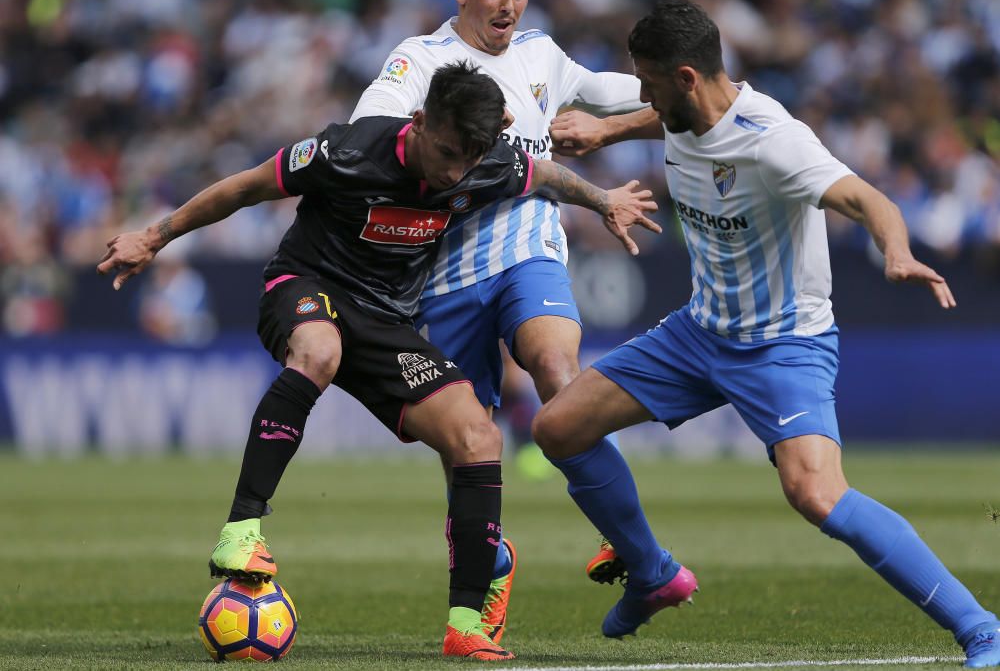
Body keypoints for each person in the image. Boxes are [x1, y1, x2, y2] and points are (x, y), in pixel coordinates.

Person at [97, 61, 657, 662]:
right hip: (305, 285)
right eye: (446, 152)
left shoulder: (479, 161)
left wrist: (604, 200)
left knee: (477, 436)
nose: (454, 171)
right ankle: (241, 533)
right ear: (418, 123)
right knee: (319, 350)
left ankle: (466, 623)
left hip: (386, 324)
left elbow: (544, 173)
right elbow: (244, 187)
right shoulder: (343, 152)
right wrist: (154, 237)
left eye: (468, 157)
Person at [534, 0, 1000, 668]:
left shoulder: (774, 141)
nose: (642, 97)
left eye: (650, 84)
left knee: (815, 493)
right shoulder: (683, 109)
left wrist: (894, 250)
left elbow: (872, 200)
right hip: (699, 332)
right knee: (557, 429)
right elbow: (661, 118)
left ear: (687, 78)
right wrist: (607, 133)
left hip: (783, 343)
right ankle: (651, 573)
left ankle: (980, 626)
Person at [350, 0, 652, 637]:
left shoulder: (542, 54)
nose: (508, 5)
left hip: (528, 248)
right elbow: (368, 125)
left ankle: (620, 535)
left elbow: (610, 90)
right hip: (443, 271)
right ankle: (489, 561)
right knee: (464, 442)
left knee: (555, 370)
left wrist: (690, 86)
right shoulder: (420, 60)